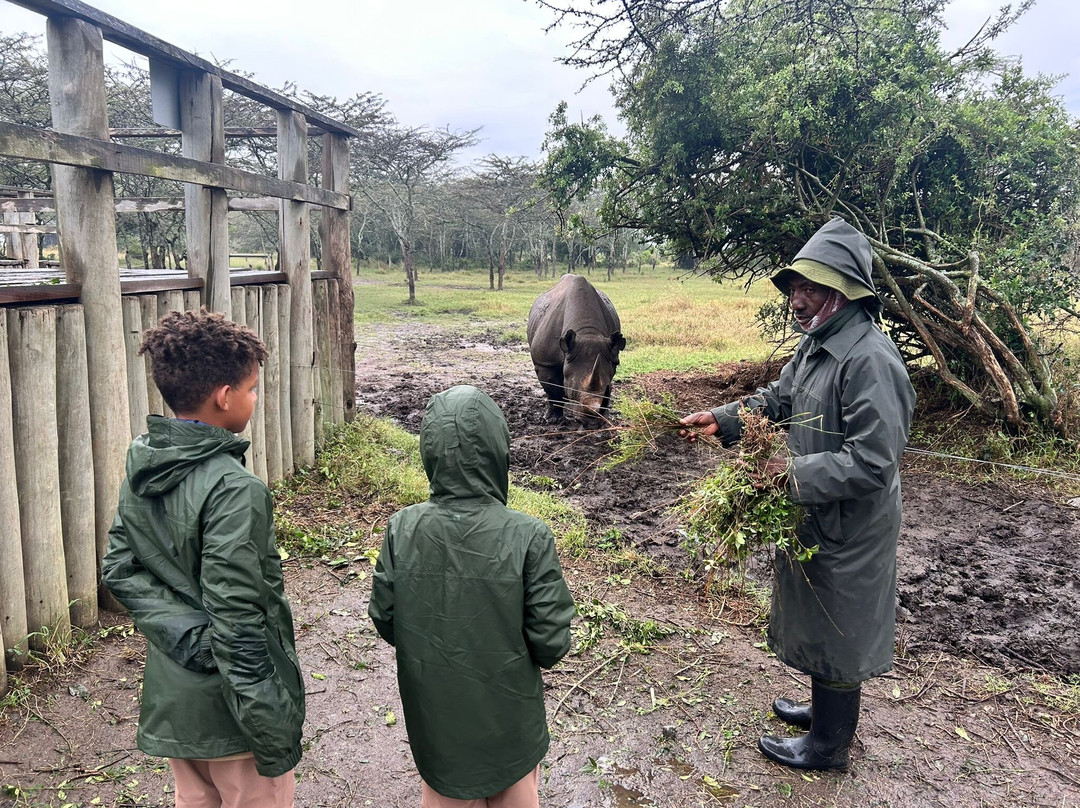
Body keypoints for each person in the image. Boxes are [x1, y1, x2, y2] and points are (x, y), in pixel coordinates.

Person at [680, 218, 915, 771]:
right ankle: (820, 712)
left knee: (840, 623)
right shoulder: (817, 347)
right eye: (794, 288)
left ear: (843, 292)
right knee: (817, 612)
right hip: (815, 510)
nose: (796, 300)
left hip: (851, 524)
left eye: (810, 289)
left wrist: (786, 475)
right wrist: (725, 419)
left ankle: (830, 745)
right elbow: (779, 399)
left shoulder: (871, 361)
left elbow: (874, 462)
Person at [101, 309, 304, 807]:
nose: (256, 398)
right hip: (232, 710)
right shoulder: (237, 489)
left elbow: (119, 568)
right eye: (253, 388)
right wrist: (270, 723)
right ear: (225, 396)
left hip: (176, 691)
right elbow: (235, 614)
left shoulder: (145, 461)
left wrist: (186, 638)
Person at [368, 385, 575, 808]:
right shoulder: (529, 535)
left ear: (430, 449)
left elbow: (385, 616)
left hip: (436, 724)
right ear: (500, 449)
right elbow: (552, 643)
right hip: (510, 725)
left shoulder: (401, 528)